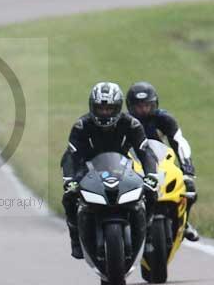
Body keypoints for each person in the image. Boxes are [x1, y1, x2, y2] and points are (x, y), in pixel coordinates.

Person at [60, 82, 159, 259]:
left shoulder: (132, 124)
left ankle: (148, 236)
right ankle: (75, 239)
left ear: (119, 107)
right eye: (100, 109)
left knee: (150, 192)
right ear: (92, 107)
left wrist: (151, 175)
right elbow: (71, 154)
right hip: (88, 168)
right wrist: (68, 179)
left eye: (109, 109)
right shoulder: (81, 126)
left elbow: (145, 151)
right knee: (69, 197)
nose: (105, 113)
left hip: (124, 166)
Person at [126, 81, 199, 242]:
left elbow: (179, 142)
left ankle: (184, 222)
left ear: (155, 104)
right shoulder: (125, 122)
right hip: (134, 165)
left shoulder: (164, 119)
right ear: (130, 106)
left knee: (189, 189)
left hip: (161, 162)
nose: (143, 109)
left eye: (147, 105)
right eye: (138, 106)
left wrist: (188, 170)